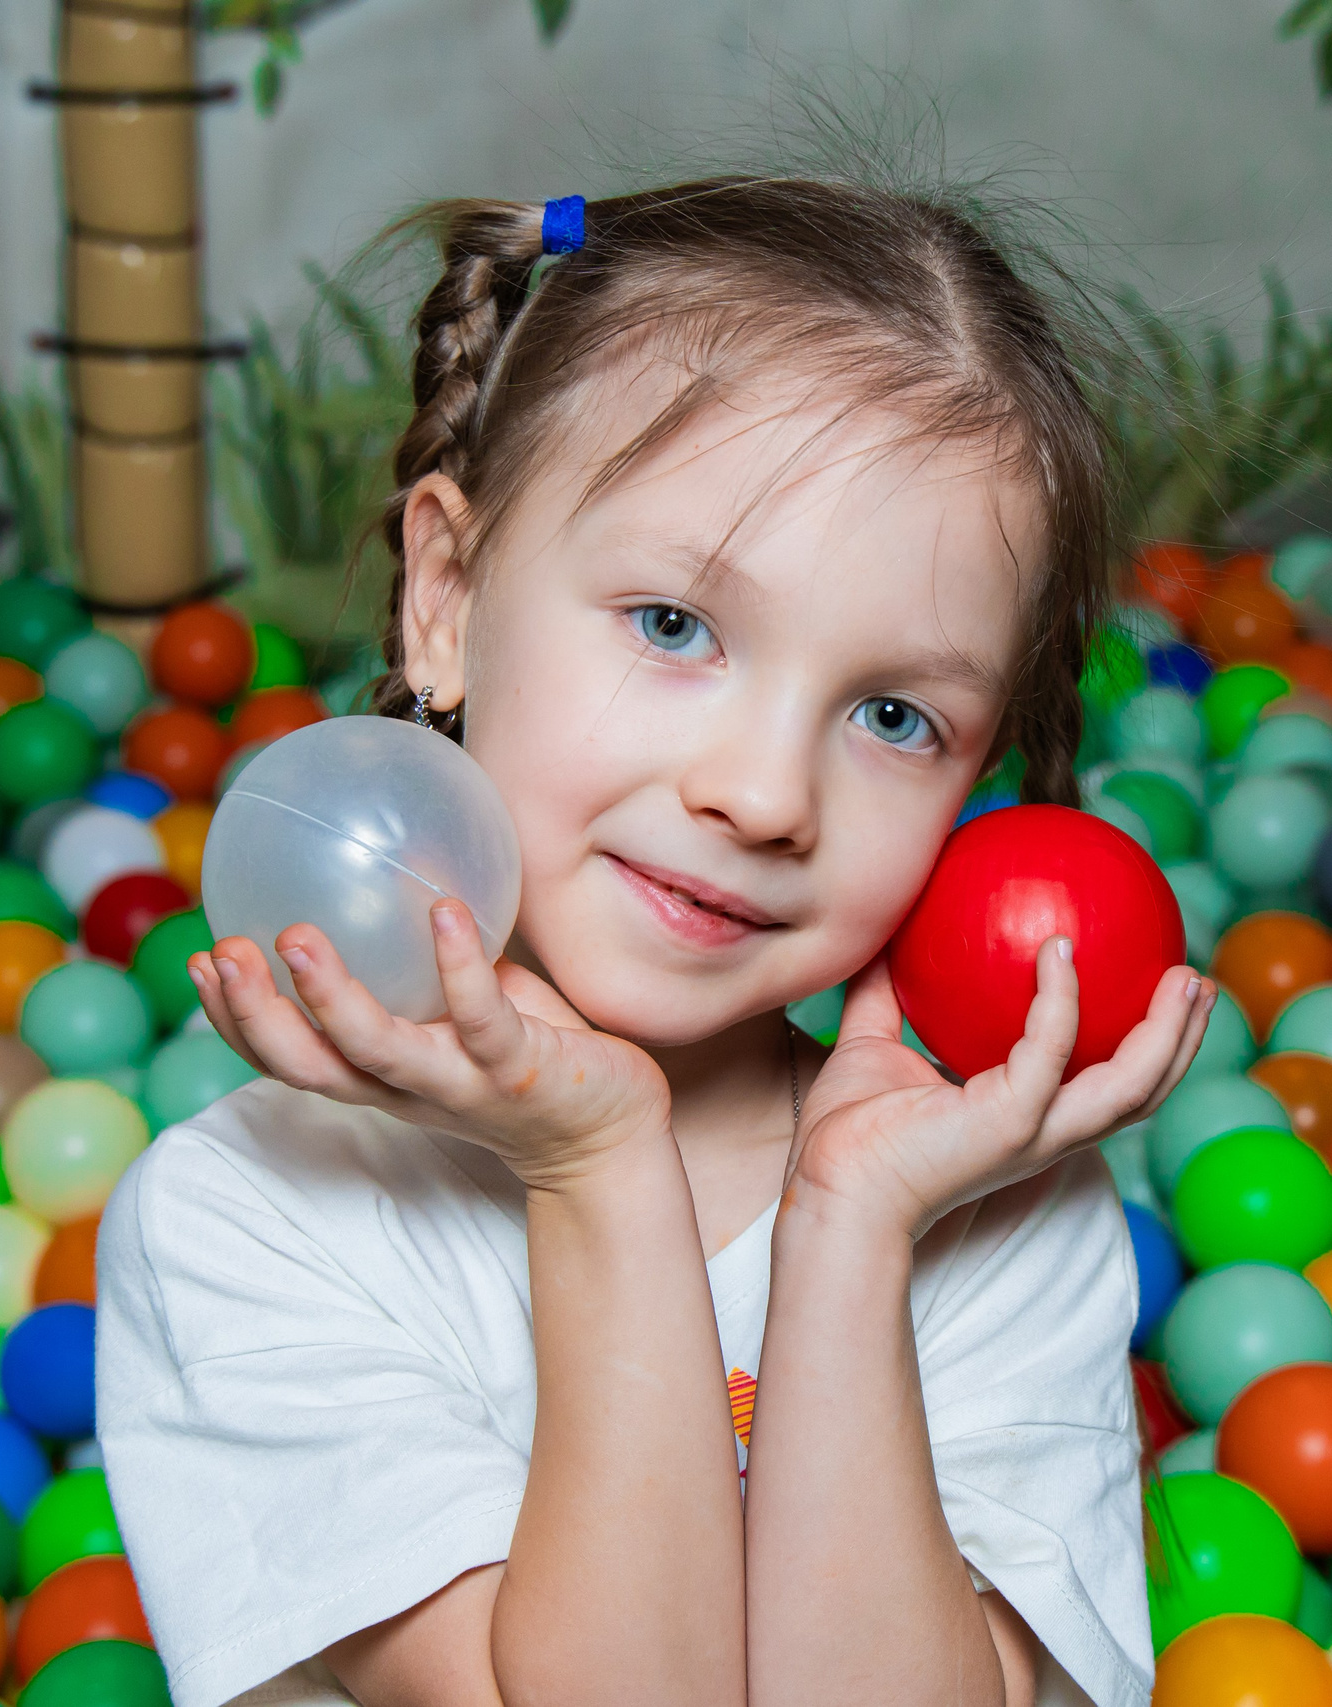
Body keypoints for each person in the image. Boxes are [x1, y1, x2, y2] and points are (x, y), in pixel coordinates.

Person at [96, 176, 1216, 1707]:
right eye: (675, 626)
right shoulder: (251, 1215)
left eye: (895, 716)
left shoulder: (988, 1206)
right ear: (447, 597)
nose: (763, 795)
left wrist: (852, 1235)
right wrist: (598, 1167)